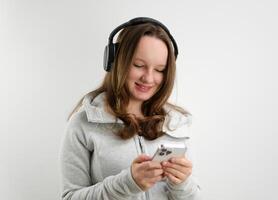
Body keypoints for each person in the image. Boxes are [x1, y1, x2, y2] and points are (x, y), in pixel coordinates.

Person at [60, 17, 202, 200]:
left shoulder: (177, 123)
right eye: (139, 65)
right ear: (116, 61)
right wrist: (128, 183)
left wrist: (182, 185)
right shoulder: (83, 124)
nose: (149, 78)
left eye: (159, 69)